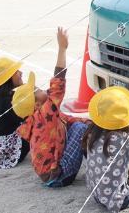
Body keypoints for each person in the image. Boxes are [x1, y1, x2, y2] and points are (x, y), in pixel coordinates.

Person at [13, 27, 89, 187]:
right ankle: (100, 165)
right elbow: (57, 85)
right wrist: (62, 49)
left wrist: (93, 123)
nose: (43, 90)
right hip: (59, 175)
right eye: (38, 90)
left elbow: (67, 119)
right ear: (37, 105)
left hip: (48, 174)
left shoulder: (37, 118)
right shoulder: (44, 113)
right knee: (81, 129)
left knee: (79, 125)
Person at [0, 56, 30, 169]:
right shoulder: (6, 100)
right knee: (36, 124)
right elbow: (24, 118)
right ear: (7, 77)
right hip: (5, 154)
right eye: (16, 71)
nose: (21, 72)